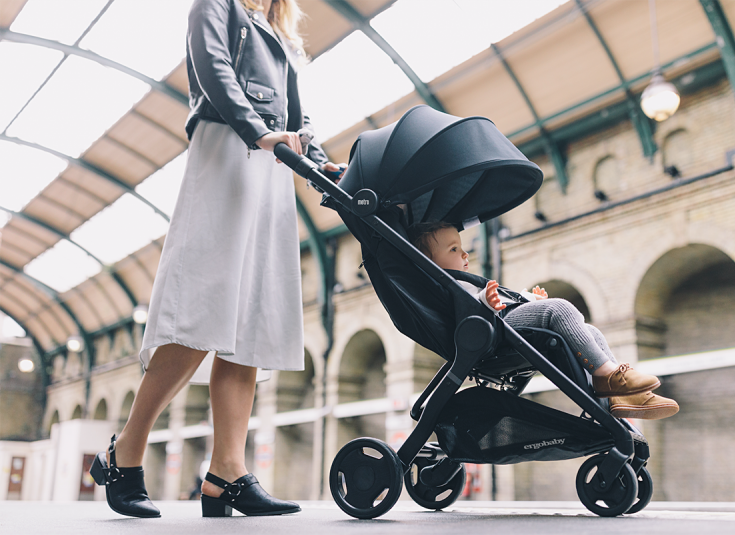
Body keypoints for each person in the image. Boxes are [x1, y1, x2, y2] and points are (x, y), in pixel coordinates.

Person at [89, 0, 345, 519]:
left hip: (274, 161)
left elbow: (299, 112)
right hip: (230, 146)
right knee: (202, 310)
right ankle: (124, 452)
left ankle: (227, 471)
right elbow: (213, 70)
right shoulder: (215, 6)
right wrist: (260, 132)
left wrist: (319, 161)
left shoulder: (278, 31)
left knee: (250, 317)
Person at [408, 221, 679, 421]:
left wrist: (529, 302)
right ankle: (609, 376)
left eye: (463, 247)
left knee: (589, 331)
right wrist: (486, 301)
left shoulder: (459, 281)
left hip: (502, 322)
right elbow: (465, 313)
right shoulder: (444, 286)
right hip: (492, 333)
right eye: (454, 249)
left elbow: (495, 302)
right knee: (559, 308)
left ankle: (617, 401)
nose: (465, 254)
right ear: (428, 261)